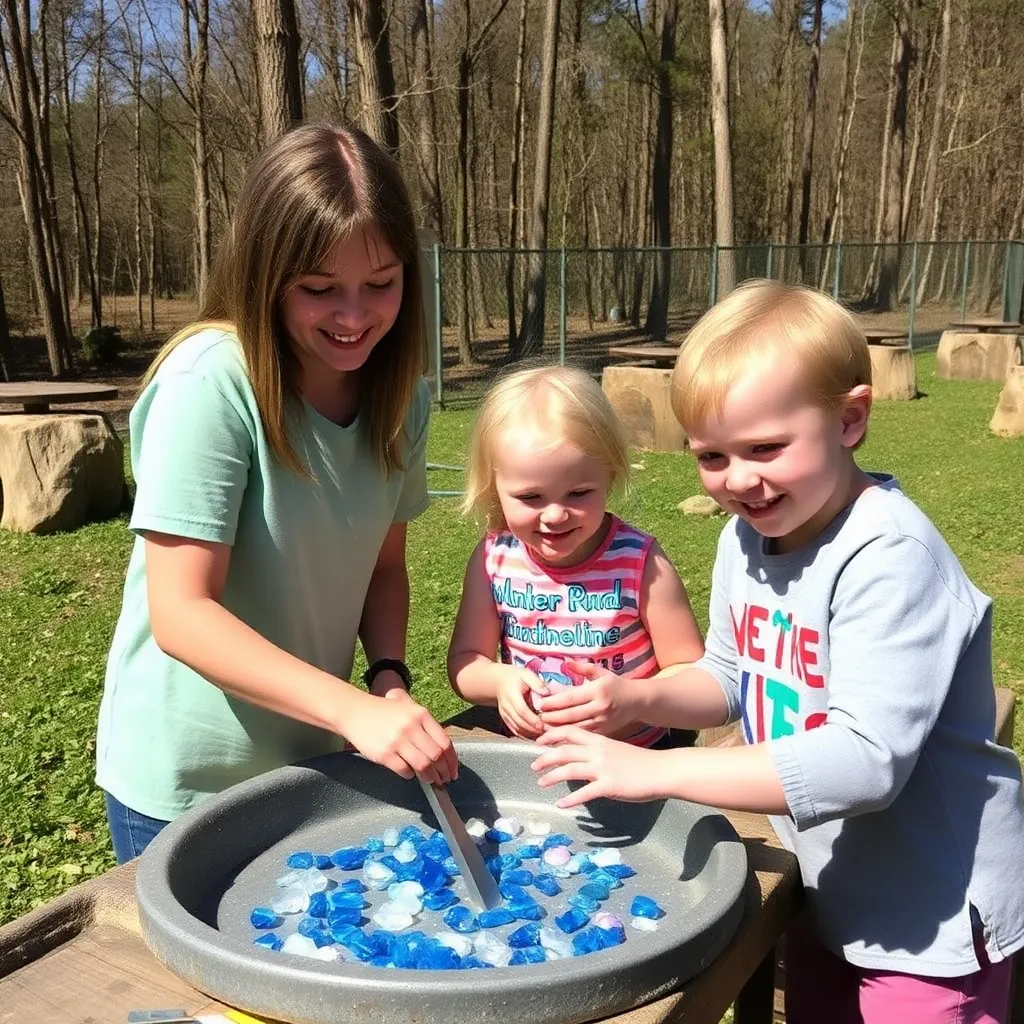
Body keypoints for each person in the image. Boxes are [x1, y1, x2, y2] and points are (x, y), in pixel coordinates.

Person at [531, 280, 1024, 1024]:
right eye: (712, 456)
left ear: (850, 418)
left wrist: (656, 769)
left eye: (766, 448)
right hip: (829, 885)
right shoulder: (745, 538)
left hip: (928, 914)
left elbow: (865, 761)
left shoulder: (887, 556)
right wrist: (637, 698)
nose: (739, 481)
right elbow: (732, 676)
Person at [95, 122, 457, 864]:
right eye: (320, 289)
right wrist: (351, 708)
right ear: (266, 275)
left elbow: (383, 568)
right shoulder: (211, 383)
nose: (354, 318)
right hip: (185, 785)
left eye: (380, 284)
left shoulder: (402, 399)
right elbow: (182, 613)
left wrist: (386, 679)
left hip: (311, 759)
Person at [447, 365, 704, 747]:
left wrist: (632, 701)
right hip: (532, 761)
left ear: (610, 476)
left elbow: (693, 672)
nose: (554, 515)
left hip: (636, 760)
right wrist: (500, 681)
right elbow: (466, 663)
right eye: (530, 497)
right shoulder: (493, 560)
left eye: (579, 493)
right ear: (493, 488)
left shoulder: (640, 562)